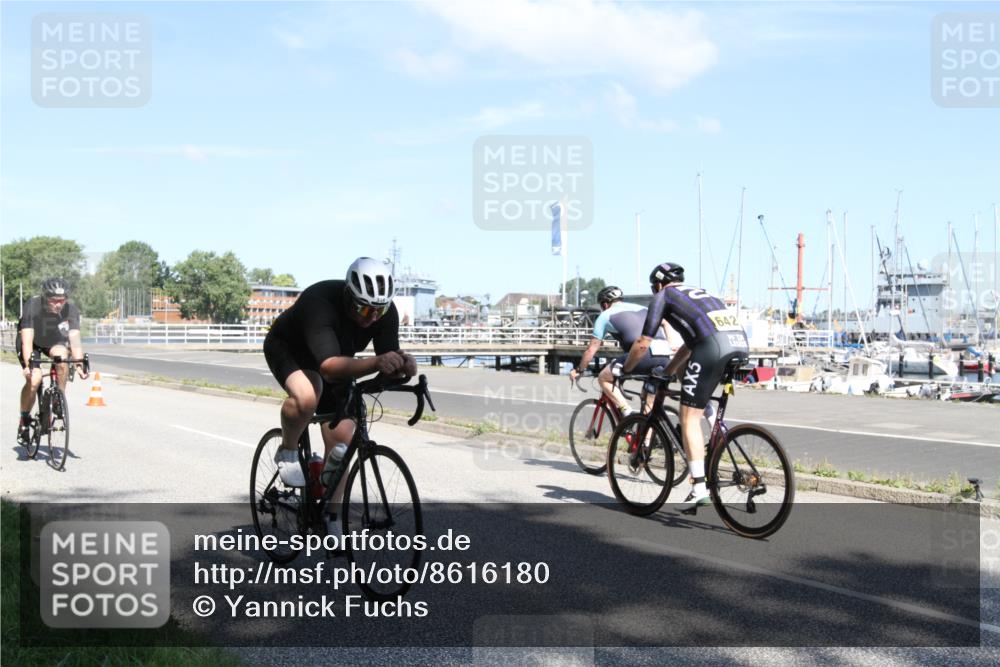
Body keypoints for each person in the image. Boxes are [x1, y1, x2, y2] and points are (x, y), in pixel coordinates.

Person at [263, 257, 417, 532]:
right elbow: (329, 368)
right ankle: (287, 451)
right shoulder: (319, 302)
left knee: (344, 440)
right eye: (363, 308)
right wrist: (377, 362)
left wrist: (402, 367)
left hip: (336, 359)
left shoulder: (384, 313)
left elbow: (384, 361)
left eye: (377, 312)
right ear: (348, 294)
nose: (370, 318)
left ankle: (329, 515)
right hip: (290, 350)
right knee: (309, 394)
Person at [623, 262, 749, 509]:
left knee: (688, 417)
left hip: (713, 346)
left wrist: (626, 369)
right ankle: (719, 438)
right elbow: (690, 344)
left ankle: (699, 487)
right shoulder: (701, 292)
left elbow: (642, 343)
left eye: (652, 287)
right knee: (698, 396)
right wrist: (669, 371)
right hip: (739, 344)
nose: (653, 291)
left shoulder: (664, 295)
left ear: (658, 284)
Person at [569, 286, 681, 415]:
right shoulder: (643, 309)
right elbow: (665, 322)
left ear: (605, 304)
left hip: (643, 354)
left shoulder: (605, 315)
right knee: (648, 405)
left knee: (604, 378)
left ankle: (626, 411)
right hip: (664, 354)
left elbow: (591, 350)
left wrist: (579, 370)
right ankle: (645, 434)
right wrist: (671, 343)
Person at [16, 278, 89, 444]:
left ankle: (58, 398)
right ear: (44, 298)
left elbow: (74, 339)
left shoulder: (70, 309)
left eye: (62, 300)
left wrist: (78, 363)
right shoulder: (33, 306)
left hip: (51, 340)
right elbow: (27, 342)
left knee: (62, 358)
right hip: (31, 341)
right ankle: (24, 420)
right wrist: (30, 366)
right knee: (34, 380)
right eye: (54, 301)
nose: (58, 304)